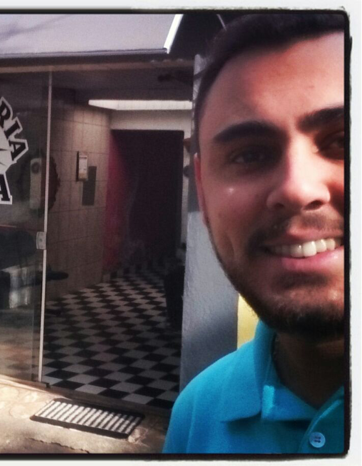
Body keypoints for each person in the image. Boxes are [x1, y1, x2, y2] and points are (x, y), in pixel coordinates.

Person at [163, 13, 347, 454]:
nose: (297, 188)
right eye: (249, 155)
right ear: (202, 191)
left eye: (344, 141)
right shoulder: (196, 413)